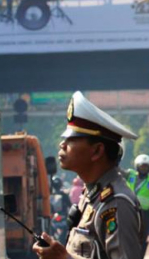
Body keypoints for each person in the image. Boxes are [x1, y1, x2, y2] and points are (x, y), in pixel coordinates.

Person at [32, 91, 143, 259]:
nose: (63, 144)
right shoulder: (92, 194)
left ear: (97, 150)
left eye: (72, 139)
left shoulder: (116, 203)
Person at [126, 153, 149, 256]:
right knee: (129, 235)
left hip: (145, 212)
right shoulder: (130, 175)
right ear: (137, 166)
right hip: (130, 210)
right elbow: (117, 172)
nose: (144, 169)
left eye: (146, 167)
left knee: (143, 237)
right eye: (142, 166)